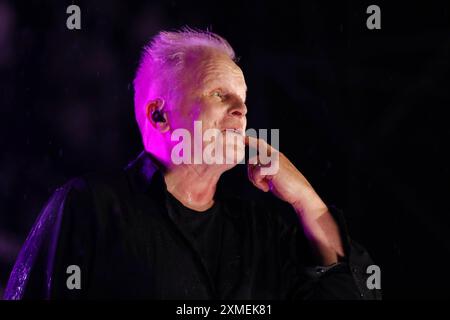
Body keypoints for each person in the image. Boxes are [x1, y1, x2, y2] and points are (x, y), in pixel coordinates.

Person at [4, 28, 381, 300]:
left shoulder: (258, 234)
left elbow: (360, 293)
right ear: (160, 116)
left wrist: (306, 200)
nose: (242, 110)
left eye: (244, 100)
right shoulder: (92, 208)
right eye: (221, 94)